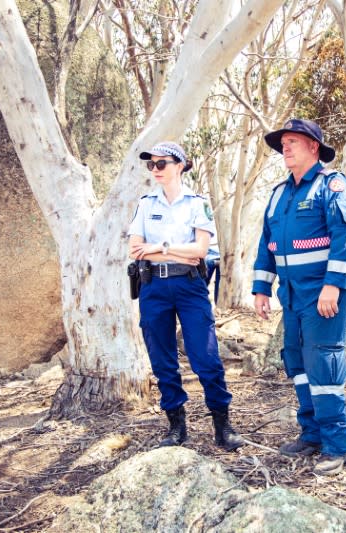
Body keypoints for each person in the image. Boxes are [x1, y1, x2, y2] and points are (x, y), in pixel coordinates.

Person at [252, 119, 346, 476]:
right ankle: (311, 432)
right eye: (283, 142)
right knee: (297, 362)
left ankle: (337, 443)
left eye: (293, 141)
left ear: (314, 147)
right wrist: (261, 288)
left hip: (324, 294)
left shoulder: (332, 186)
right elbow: (267, 244)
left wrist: (332, 284)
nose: (285, 147)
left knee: (323, 363)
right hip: (293, 295)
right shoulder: (279, 193)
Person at [128, 141, 244, 451]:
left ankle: (223, 425)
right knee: (162, 359)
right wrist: (168, 251)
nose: (155, 170)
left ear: (180, 165)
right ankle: (176, 427)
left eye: (161, 163)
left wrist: (159, 248)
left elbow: (199, 253)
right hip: (153, 288)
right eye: (151, 165)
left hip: (190, 287)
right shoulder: (145, 204)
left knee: (205, 357)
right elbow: (137, 250)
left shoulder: (197, 204)